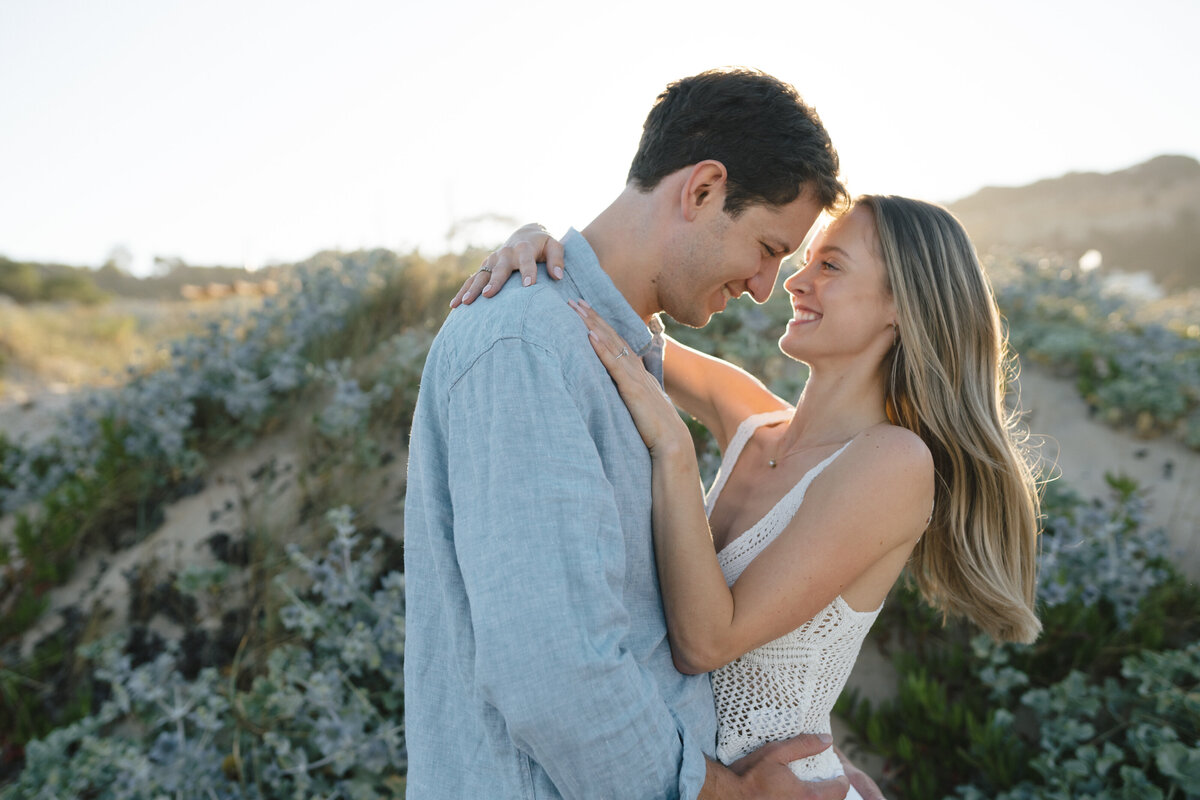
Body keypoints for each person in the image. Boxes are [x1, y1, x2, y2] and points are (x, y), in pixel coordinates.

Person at [404, 67, 879, 799]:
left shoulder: (614, 348)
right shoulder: (529, 348)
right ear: (702, 190)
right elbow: (553, 672)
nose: (764, 286)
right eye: (766, 247)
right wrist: (736, 795)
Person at [467, 195, 1043, 798]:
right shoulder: (747, 414)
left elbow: (706, 643)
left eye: (831, 266)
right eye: (806, 260)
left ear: (902, 305)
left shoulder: (895, 462)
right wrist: (539, 249)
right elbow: (602, 321)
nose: (795, 281)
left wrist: (675, 450)